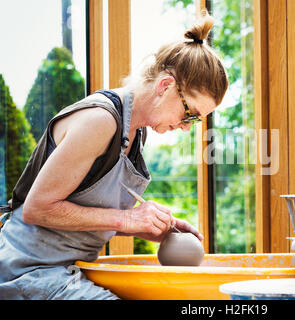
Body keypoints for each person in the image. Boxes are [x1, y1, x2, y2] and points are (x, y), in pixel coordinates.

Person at [0, 10, 228, 300]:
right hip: (27, 271)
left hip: (68, 269)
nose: (185, 127)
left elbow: (77, 217)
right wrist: (126, 220)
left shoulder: (136, 132)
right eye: (189, 114)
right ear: (165, 86)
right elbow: (37, 209)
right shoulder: (101, 120)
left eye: (194, 121)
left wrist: (144, 227)